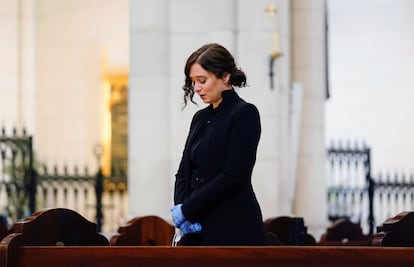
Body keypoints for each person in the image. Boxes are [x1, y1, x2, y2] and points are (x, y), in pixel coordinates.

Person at [170, 43, 266, 246]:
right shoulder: (199, 118)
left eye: (202, 80)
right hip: (197, 225)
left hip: (232, 225)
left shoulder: (244, 114)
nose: (196, 88)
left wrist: (188, 210)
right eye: (193, 82)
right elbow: (184, 171)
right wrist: (181, 207)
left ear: (225, 76)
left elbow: (234, 175)